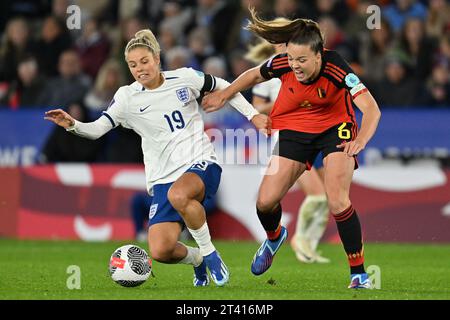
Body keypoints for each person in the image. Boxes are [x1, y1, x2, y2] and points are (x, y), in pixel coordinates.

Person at [44, 28, 270, 287]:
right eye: (132, 65)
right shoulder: (127, 98)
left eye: (144, 61)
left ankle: (210, 255)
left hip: (201, 160)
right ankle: (197, 259)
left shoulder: (184, 78)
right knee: (161, 250)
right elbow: (97, 130)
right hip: (163, 177)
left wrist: (253, 115)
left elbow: (223, 85)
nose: (139, 69)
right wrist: (73, 124)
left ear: (157, 60)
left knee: (180, 195)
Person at [202, 8, 381, 289]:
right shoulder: (283, 62)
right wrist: (224, 95)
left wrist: (362, 140)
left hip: (336, 128)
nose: (295, 65)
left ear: (319, 55)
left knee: (337, 200)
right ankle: (275, 238)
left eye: (302, 60)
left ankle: (358, 274)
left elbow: (371, 108)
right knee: (265, 202)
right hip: (295, 129)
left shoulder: (338, 68)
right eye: (292, 58)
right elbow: (252, 75)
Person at [246, 39, 330, 264]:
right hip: (286, 140)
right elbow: (256, 109)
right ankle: (300, 242)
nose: (286, 48)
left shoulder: (306, 71)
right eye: (282, 43)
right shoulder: (270, 72)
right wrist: (287, 103)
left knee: (324, 197)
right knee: (318, 195)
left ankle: (307, 245)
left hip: (313, 134)